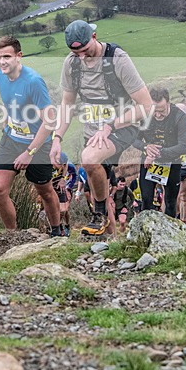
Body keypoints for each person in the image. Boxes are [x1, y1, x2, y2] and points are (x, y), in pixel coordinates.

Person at [50, 20, 153, 238]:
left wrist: (110, 125)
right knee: (101, 185)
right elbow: (67, 104)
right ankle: (111, 239)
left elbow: (146, 105)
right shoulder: (72, 64)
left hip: (122, 126)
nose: (81, 57)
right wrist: (57, 138)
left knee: (88, 159)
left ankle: (98, 216)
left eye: (85, 51)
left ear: (94, 37)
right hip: (92, 130)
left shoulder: (118, 60)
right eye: (75, 52)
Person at [0, 36, 62, 234]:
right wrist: (6, 122)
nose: (2, 61)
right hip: (11, 139)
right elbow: (9, 101)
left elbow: (50, 122)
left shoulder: (33, 81)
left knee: (45, 192)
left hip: (37, 145)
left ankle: (57, 231)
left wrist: (29, 153)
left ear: (19, 56)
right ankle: (13, 236)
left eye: (7, 56)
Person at [131, 87, 186, 219]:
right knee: (146, 199)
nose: (157, 115)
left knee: (170, 202)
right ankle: (146, 232)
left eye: (161, 111)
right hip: (148, 162)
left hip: (171, 162)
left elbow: (184, 146)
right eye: (154, 111)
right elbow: (133, 139)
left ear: (168, 103)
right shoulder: (144, 115)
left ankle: (169, 234)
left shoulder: (179, 117)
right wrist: (146, 147)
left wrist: (157, 154)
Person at [50, 152, 77, 237]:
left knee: (64, 210)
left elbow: (74, 176)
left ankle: (67, 225)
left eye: (64, 165)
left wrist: (68, 186)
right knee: (55, 210)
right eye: (60, 165)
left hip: (63, 188)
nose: (62, 167)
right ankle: (59, 228)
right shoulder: (48, 164)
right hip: (51, 188)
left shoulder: (68, 166)